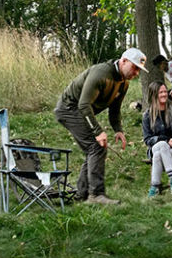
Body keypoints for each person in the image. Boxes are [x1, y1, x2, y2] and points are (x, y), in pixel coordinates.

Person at [55, 47, 146, 205]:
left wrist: (118, 130)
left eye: (139, 70)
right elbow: (84, 104)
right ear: (124, 61)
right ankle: (96, 195)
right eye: (135, 67)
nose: (136, 73)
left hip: (81, 111)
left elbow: (115, 110)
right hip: (69, 109)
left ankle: (81, 194)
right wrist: (98, 131)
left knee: (93, 150)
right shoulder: (101, 74)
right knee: (96, 147)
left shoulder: (123, 83)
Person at [142, 81, 172, 197]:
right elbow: (147, 139)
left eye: (165, 92)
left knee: (159, 154)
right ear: (154, 95)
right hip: (156, 147)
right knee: (162, 145)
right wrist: (162, 140)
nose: (164, 94)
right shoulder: (147, 115)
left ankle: (154, 187)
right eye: (160, 92)